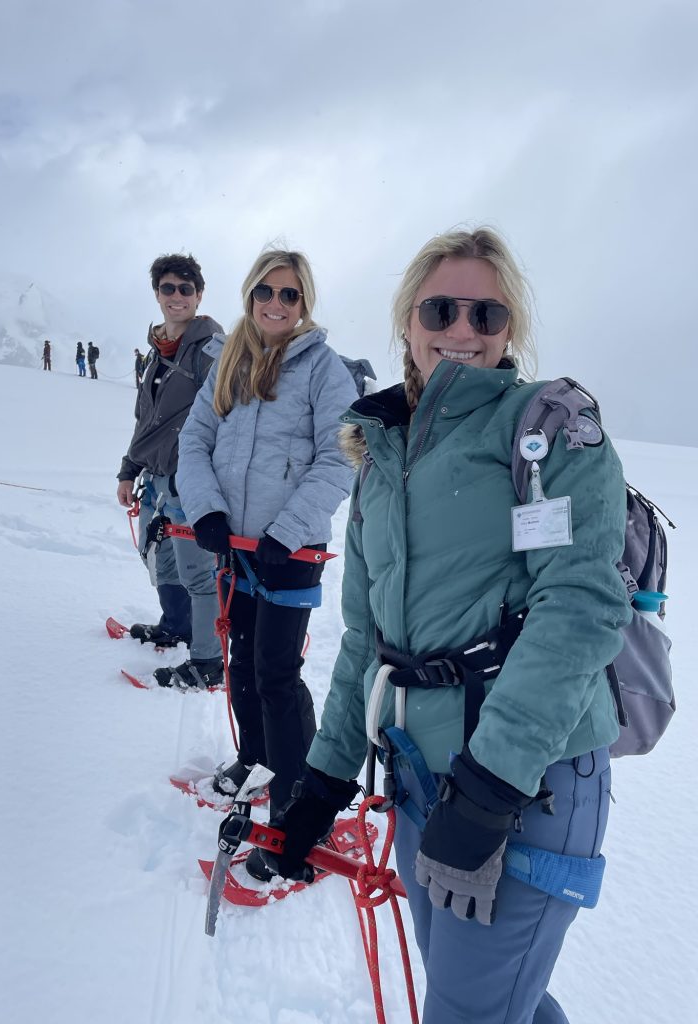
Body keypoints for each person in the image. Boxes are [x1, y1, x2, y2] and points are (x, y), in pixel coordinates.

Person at [262, 227, 632, 1023]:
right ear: (408, 321)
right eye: (441, 308)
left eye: (487, 315)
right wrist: (322, 784)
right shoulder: (381, 453)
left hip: (530, 784)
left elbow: (580, 606)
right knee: (494, 1003)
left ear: (510, 333)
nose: (462, 330)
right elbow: (367, 644)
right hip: (421, 781)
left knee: (470, 1010)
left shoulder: (546, 431)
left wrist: (492, 789)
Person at [177, 248, 357, 877]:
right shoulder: (229, 363)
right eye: (266, 293)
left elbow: (340, 458)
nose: (276, 305)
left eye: (290, 295)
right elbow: (195, 441)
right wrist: (206, 513)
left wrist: (288, 529)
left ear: (304, 303)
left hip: (288, 553)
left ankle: (294, 813)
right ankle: (256, 763)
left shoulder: (323, 370)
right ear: (250, 297)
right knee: (242, 670)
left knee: (277, 676)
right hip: (235, 549)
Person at [116, 253, 224, 685]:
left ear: (198, 295)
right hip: (156, 479)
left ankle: (208, 662)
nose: (176, 296)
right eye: (167, 288)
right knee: (164, 563)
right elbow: (148, 420)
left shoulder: (212, 350)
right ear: (157, 294)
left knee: (199, 572)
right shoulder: (158, 352)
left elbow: (226, 419)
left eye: (185, 289)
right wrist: (129, 469)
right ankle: (177, 626)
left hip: (189, 481)